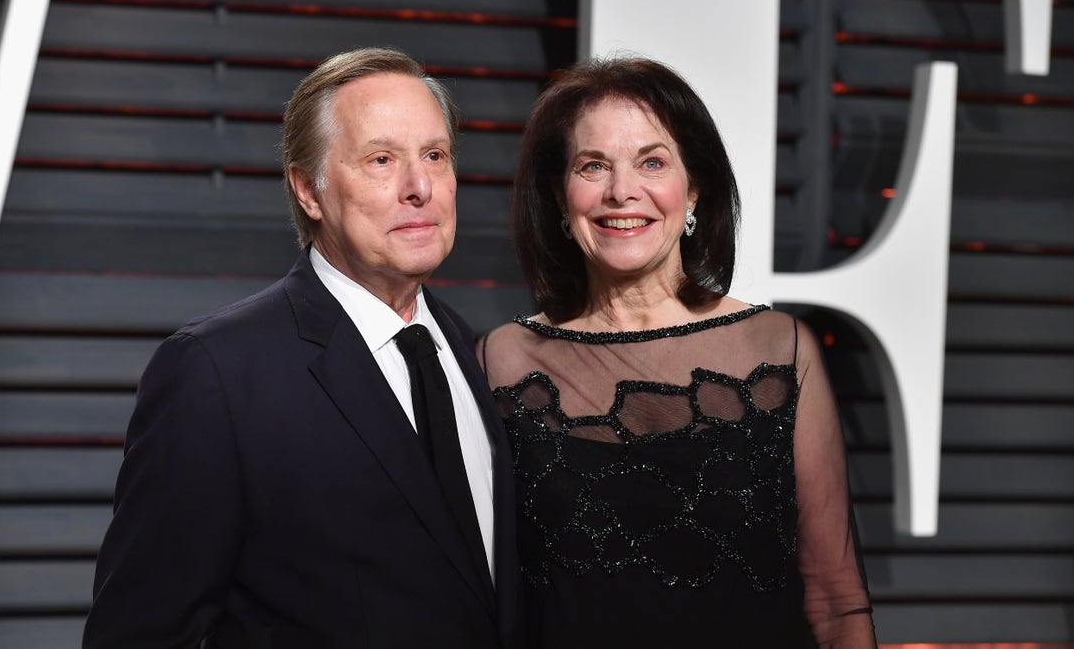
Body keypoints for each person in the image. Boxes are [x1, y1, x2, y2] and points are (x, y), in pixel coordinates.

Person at [84, 47, 519, 648]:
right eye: (381, 159)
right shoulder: (216, 372)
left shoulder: (471, 350)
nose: (419, 187)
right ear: (308, 190)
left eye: (435, 156)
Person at [478, 57, 876, 648]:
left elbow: (836, 603)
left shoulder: (780, 350)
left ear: (693, 190)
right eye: (593, 166)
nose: (621, 191)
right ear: (561, 200)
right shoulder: (504, 361)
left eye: (652, 162)